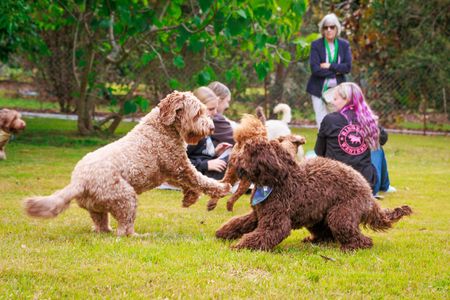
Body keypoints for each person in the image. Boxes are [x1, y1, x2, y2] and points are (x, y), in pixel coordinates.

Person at [314, 82, 378, 193]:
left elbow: (318, 151)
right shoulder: (368, 121)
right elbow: (383, 139)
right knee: (377, 147)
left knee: (311, 155)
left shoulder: (330, 119)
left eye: (335, 99)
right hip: (365, 183)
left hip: (336, 182)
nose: (332, 102)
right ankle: (385, 186)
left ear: (347, 99)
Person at [306, 13, 352, 128]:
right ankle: (322, 145)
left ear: (337, 28)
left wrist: (330, 65)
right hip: (318, 89)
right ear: (322, 29)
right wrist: (337, 70)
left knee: (338, 120)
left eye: (332, 27)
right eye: (325, 27)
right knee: (321, 121)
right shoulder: (316, 45)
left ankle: (335, 145)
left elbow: (347, 67)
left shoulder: (344, 45)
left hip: (338, 91)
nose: (329, 30)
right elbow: (315, 69)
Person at [187, 86, 233, 180]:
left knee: (238, 156)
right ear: (196, 108)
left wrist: (215, 152)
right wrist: (205, 165)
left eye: (216, 109)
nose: (215, 113)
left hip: (209, 166)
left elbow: (199, 153)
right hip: (200, 173)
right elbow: (178, 161)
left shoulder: (204, 125)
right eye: (211, 109)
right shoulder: (190, 131)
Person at [371, 126, 396, 196]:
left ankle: (384, 185)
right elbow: (382, 137)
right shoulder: (363, 120)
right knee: (376, 147)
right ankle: (384, 185)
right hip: (368, 187)